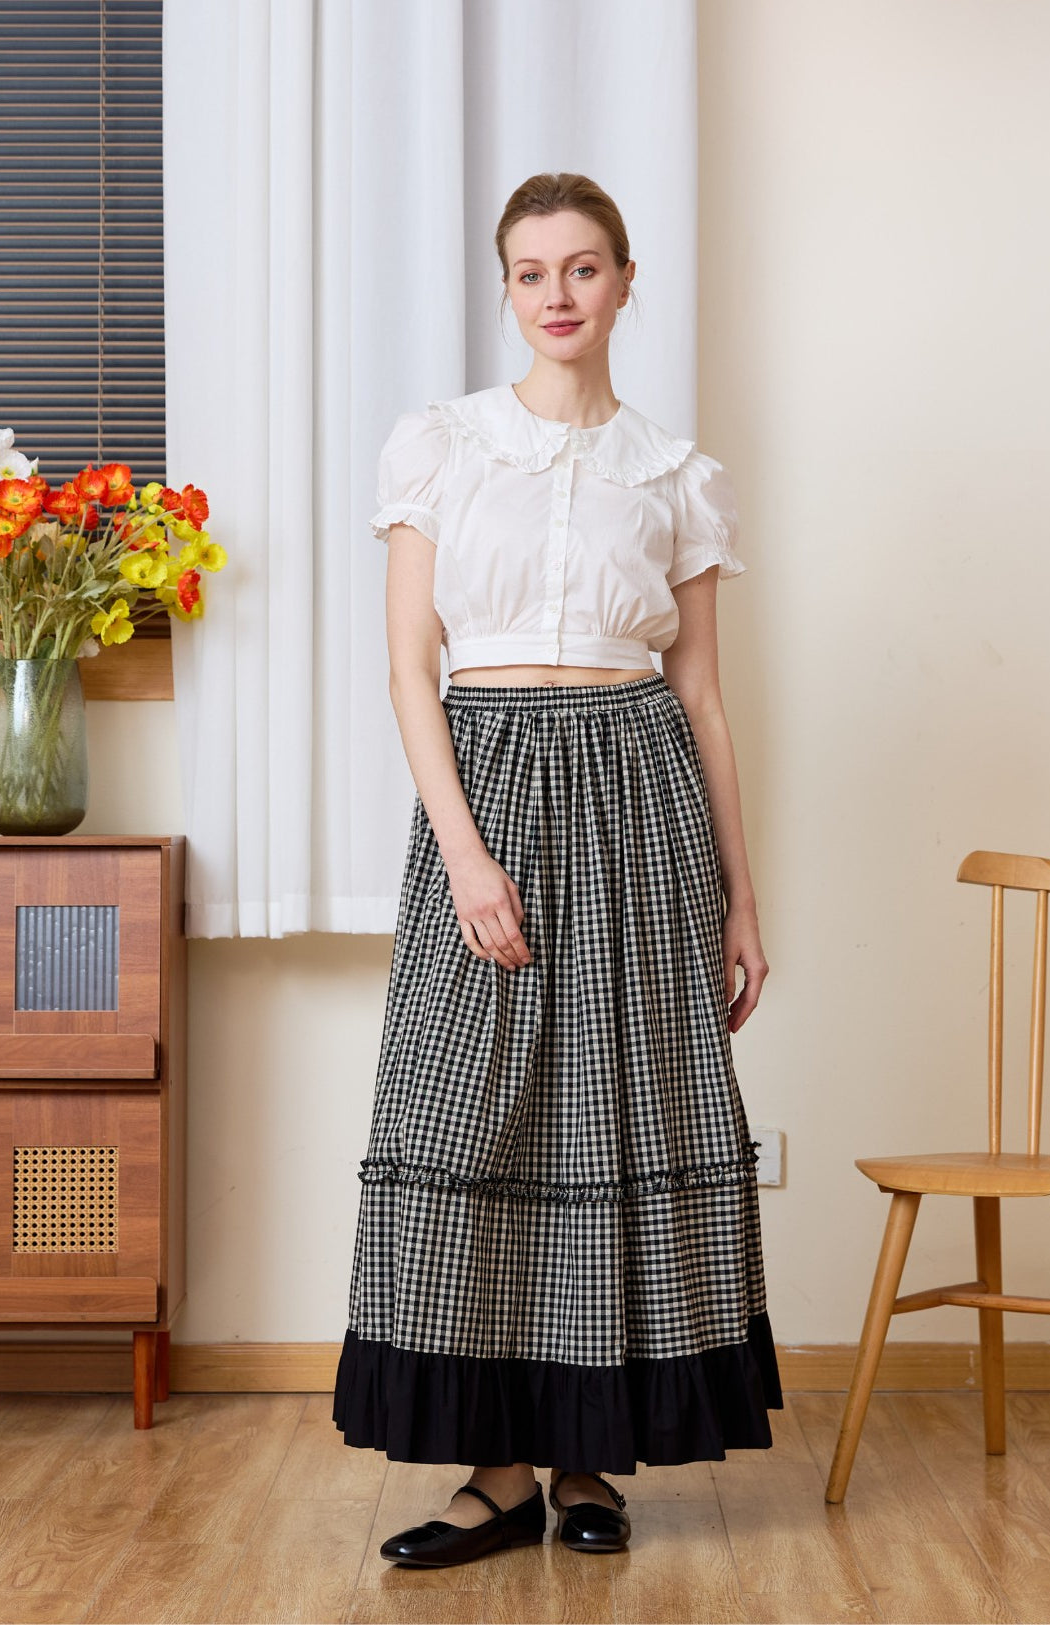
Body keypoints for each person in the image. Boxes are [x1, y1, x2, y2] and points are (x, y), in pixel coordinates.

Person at [333, 170, 782, 1569]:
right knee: (474, 1110)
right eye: (533, 272)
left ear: (625, 282)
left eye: (583, 268)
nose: (559, 294)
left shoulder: (674, 471)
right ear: (508, 287)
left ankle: (588, 1462)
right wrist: (466, 851)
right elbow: (413, 666)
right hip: (494, 785)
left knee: (616, 1114)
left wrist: (742, 897)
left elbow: (702, 694)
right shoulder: (443, 448)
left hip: (641, 793)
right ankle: (495, 1468)